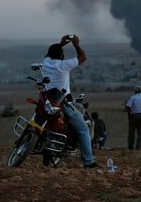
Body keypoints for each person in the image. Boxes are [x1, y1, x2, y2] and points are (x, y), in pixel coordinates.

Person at [41, 35, 98, 168]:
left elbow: (49, 54)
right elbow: (83, 58)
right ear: (61, 55)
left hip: (47, 101)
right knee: (83, 129)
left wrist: (61, 44)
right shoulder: (63, 65)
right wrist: (76, 44)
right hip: (62, 103)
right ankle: (89, 161)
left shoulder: (46, 63)